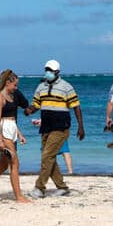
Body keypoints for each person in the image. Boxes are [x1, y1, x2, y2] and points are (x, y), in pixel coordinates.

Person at [27, 59, 83, 197]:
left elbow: (76, 107)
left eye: (50, 70)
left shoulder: (66, 87)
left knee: (47, 156)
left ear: (57, 72)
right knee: (49, 157)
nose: (48, 72)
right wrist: (29, 110)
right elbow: (36, 104)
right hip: (46, 126)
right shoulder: (41, 87)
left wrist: (81, 126)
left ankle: (39, 188)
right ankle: (62, 187)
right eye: (47, 70)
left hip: (61, 127)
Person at [0, 70, 33, 203]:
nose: (16, 88)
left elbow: (12, 119)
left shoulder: (12, 96)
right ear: (7, 83)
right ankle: (19, 196)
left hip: (12, 129)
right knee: (15, 163)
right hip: (4, 132)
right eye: (15, 85)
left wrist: (20, 134)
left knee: (3, 166)